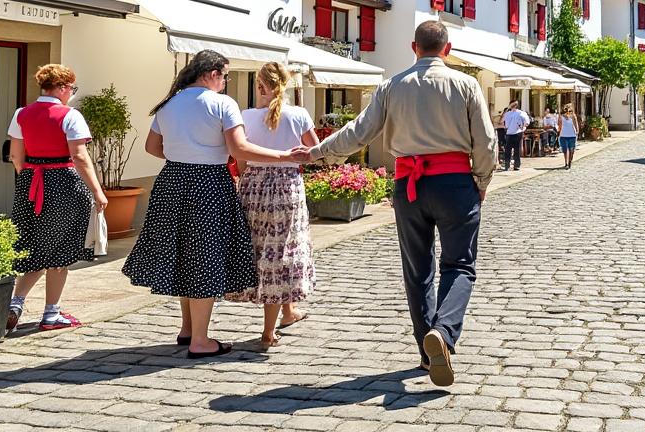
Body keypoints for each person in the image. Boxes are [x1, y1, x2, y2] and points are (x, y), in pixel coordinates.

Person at [293, 21, 496, 387]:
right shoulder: (466, 84)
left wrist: (317, 152)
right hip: (454, 183)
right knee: (459, 265)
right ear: (447, 49)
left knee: (418, 271)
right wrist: (481, 180)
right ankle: (445, 334)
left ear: (412, 47)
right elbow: (485, 140)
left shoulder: (391, 86)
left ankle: (426, 351)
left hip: (408, 185)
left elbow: (359, 132)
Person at [122, 50, 296, 359]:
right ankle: (200, 340)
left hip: (171, 181)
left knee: (184, 253)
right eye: (225, 76)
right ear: (212, 74)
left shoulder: (169, 103)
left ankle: (188, 328)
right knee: (204, 257)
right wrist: (284, 156)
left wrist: (184, 155)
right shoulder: (222, 104)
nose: (226, 82)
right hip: (209, 183)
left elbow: (152, 147)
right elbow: (239, 149)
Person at [5, 64, 108, 332]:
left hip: (30, 182)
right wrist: (97, 191)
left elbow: (16, 156)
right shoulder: (70, 115)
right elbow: (80, 156)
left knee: (34, 244)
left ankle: (15, 303)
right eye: (71, 88)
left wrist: (31, 177)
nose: (71, 93)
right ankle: (51, 314)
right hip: (63, 182)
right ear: (62, 88)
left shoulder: (21, 114)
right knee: (59, 250)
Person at [228, 62, 319, 350]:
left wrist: (247, 176)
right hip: (287, 186)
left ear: (260, 87)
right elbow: (314, 152)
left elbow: (240, 158)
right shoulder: (299, 115)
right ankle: (268, 333)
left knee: (263, 249)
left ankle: (288, 312)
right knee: (281, 251)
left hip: (254, 186)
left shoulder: (246, 116)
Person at [499, 100, 529, 171]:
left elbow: (527, 122)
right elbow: (501, 121)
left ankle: (516, 165)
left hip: (518, 133)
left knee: (516, 150)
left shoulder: (521, 113)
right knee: (508, 150)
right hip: (509, 133)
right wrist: (506, 110)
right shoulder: (507, 113)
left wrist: (523, 127)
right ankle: (507, 165)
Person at [557, 103, 580, 170]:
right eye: (566, 110)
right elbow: (559, 125)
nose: (568, 112)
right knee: (565, 150)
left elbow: (576, 125)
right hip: (563, 135)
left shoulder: (573, 116)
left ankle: (570, 161)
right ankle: (566, 163)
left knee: (571, 150)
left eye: (569, 110)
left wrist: (577, 132)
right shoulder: (561, 116)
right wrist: (559, 133)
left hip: (572, 135)